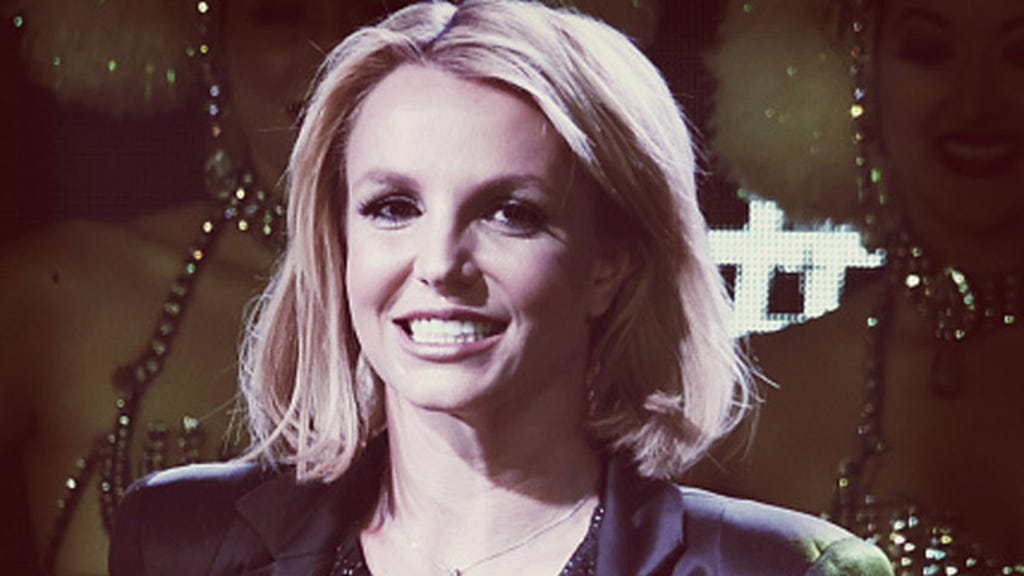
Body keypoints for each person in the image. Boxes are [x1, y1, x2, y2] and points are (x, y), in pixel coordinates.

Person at [108, 2, 894, 575]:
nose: (439, 263)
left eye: (509, 213)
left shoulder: (779, 568)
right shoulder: (182, 541)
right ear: (339, 242)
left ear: (609, 263)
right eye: (393, 207)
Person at [0, 1, 412, 573]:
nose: (332, 50)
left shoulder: (499, 321)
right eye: (280, 14)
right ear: (213, 43)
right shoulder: (65, 291)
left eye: (373, 10)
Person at [692, 0, 1024, 573]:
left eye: (1021, 54)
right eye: (927, 50)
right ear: (855, 74)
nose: (976, 102)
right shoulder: (739, 412)